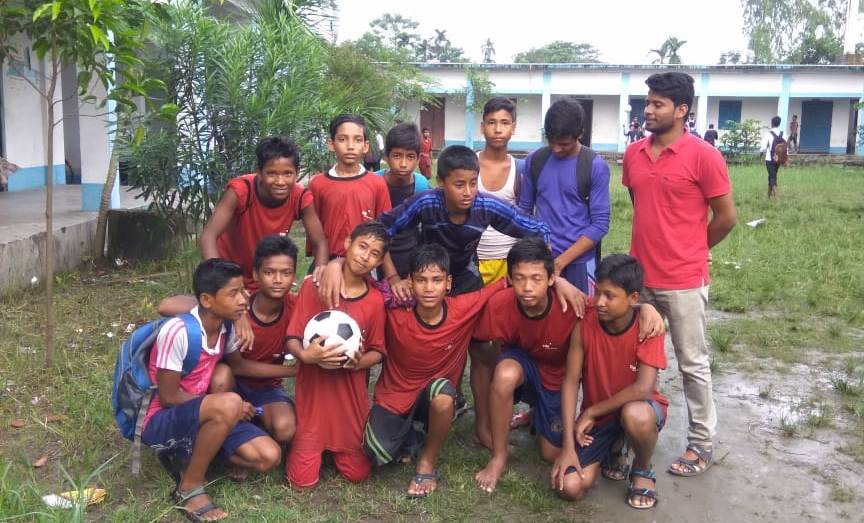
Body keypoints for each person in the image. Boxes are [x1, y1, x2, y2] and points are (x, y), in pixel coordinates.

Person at [472, 239, 663, 493]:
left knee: (557, 450)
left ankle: (631, 460)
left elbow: (613, 305)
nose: (527, 287)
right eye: (519, 278)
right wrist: (482, 425)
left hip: (568, 385)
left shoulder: (579, 307)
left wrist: (646, 308)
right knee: (505, 374)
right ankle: (500, 456)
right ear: (509, 278)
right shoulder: (503, 305)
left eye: (537, 278)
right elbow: (479, 355)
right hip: (531, 371)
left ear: (551, 279)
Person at [623, 71, 737, 478]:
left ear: (681, 110)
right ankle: (627, 435)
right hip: (639, 280)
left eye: (658, 104)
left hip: (685, 281)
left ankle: (701, 442)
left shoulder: (705, 156)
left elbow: (726, 217)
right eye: (648, 102)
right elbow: (640, 202)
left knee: (692, 363)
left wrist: (694, 249)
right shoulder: (633, 154)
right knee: (631, 362)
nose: (648, 110)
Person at [141, 259, 282, 522]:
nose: (243, 300)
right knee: (229, 402)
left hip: (207, 410)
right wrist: (226, 406)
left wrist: (296, 369)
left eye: (243, 291)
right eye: (233, 293)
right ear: (206, 300)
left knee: (268, 457)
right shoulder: (179, 331)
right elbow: (168, 397)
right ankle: (189, 486)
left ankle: (194, 454)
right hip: (161, 419)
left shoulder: (226, 326)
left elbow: (238, 367)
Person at [157, 236, 302, 464]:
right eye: (269, 272)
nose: (278, 280)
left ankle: (246, 428)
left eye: (286, 273)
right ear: (255, 274)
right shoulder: (234, 303)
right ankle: (211, 434)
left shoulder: (296, 307)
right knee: (222, 374)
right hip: (226, 385)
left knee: (285, 431)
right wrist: (238, 316)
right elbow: (165, 306)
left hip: (266, 388)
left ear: (294, 275)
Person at [550, 255, 668, 510]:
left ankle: (641, 467)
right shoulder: (586, 322)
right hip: (601, 419)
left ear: (633, 298)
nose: (600, 302)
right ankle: (614, 447)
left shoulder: (649, 326)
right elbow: (570, 382)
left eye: (609, 296)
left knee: (635, 415)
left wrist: (591, 411)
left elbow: (643, 389)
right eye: (597, 292)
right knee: (569, 487)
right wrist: (568, 446)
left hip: (637, 408)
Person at [284, 222, 389, 489]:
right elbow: (292, 338)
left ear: (379, 261)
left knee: (358, 474)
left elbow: (378, 351)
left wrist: (359, 362)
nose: (365, 257)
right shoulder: (313, 287)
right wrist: (306, 356)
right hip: (314, 400)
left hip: (349, 401)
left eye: (374, 254)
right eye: (362, 246)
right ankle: (311, 443)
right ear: (347, 244)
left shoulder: (375, 301)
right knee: (301, 482)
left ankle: (342, 443)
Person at [199, 136, 328, 290]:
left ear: (296, 173)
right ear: (259, 172)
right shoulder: (241, 191)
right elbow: (208, 236)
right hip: (230, 274)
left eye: (288, 174)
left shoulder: (300, 197)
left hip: (266, 278)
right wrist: (219, 280)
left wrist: (319, 276)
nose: (280, 182)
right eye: (272, 174)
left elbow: (320, 243)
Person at [518, 98, 611, 296]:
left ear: (580, 134)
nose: (556, 149)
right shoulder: (535, 160)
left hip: (580, 263)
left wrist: (561, 262)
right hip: (542, 260)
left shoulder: (594, 166)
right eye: (551, 141)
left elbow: (600, 224)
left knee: (582, 312)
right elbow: (524, 211)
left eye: (564, 144)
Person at [308, 114, 392, 266]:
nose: (350, 146)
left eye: (357, 140)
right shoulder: (318, 184)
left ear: (365, 146)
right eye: (342, 139)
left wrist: (390, 274)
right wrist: (321, 266)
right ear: (331, 144)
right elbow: (315, 233)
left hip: (365, 264)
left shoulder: (377, 184)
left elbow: (383, 231)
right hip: (327, 263)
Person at [476, 97, 523, 286]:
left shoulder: (520, 169)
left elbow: (525, 219)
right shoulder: (468, 165)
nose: (497, 129)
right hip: (471, 260)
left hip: (508, 261)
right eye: (491, 122)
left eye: (504, 122)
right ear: (482, 127)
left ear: (513, 127)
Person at [375, 123, 430, 278]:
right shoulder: (374, 182)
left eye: (410, 157)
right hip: (377, 254)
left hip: (411, 254)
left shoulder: (421, 185)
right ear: (386, 157)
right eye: (397, 156)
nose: (403, 164)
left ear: (418, 159)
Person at [761, 115, 784, 198]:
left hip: (769, 158)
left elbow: (763, 147)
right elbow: (786, 147)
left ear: (772, 123)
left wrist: (761, 152)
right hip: (779, 159)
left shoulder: (768, 134)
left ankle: (776, 197)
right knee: (772, 175)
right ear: (779, 124)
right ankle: (768, 196)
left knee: (772, 176)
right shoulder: (783, 134)